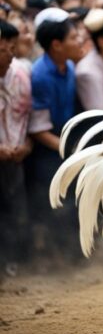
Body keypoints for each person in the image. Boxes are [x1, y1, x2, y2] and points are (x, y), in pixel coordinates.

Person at [27, 8, 83, 262]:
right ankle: (56, 258)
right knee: (57, 203)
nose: (79, 40)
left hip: (64, 141)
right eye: (74, 38)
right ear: (56, 45)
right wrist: (70, 152)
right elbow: (38, 130)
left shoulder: (69, 66)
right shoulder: (40, 76)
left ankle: (74, 255)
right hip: (47, 147)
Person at [0, 20, 31, 275]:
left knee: (16, 211)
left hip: (16, 158)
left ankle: (13, 262)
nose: (10, 54)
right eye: (4, 49)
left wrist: (27, 145)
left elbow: (31, 117)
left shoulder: (22, 75)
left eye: (12, 48)